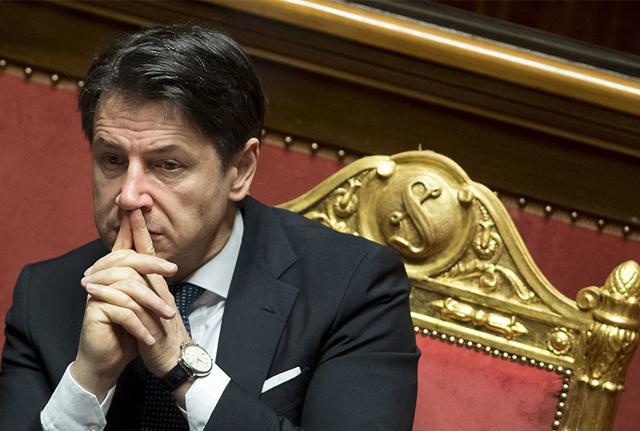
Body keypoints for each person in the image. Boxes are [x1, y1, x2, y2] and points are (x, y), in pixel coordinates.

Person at [0, 25, 418, 430]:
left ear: (240, 170)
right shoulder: (45, 298)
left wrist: (182, 366)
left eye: (167, 165)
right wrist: (88, 381)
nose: (129, 196)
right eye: (112, 160)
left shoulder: (351, 287)